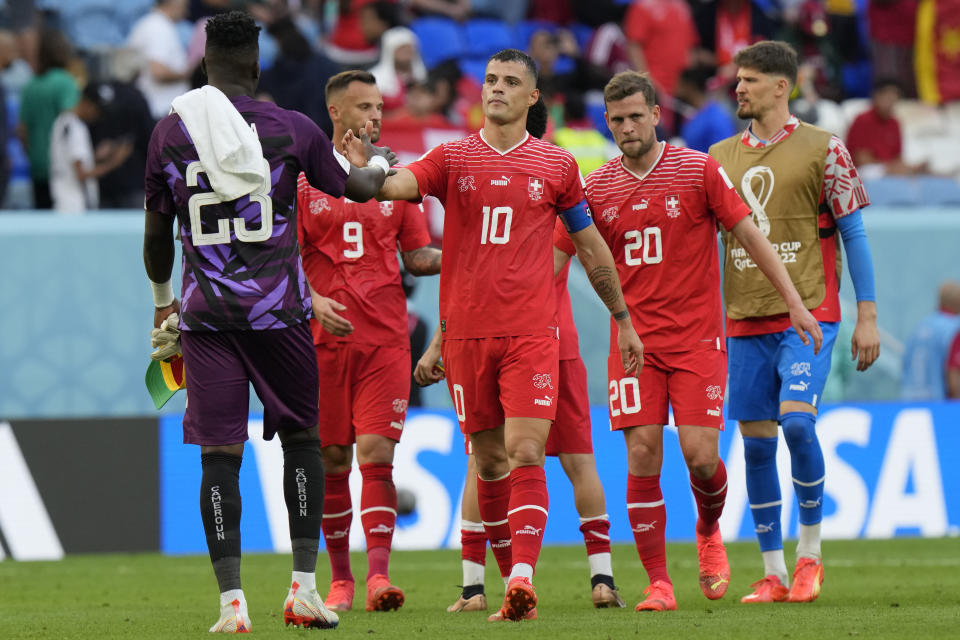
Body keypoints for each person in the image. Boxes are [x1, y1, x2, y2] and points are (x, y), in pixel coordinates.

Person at [142, 11, 393, 633]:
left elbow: (155, 237)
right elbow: (355, 188)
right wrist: (382, 165)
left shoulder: (169, 133)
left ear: (203, 65)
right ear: (256, 65)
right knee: (304, 443)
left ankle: (232, 605)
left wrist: (161, 302)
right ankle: (304, 589)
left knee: (219, 456)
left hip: (207, 321)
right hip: (278, 314)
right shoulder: (291, 128)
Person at [377, 48, 644, 622]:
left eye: (510, 82)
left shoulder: (557, 166)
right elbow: (401, 184)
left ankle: (522, 578)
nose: (496, 88)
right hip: (468, 339)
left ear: (532, 98)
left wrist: (622, 319)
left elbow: (592, 246)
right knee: (489, 462)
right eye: (491, 79)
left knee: (527, 450)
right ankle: (496, 583)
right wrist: (368, 175)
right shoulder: (451, 158)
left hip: (531, 334)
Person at [555, 70, 821, 612]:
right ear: (607, 123)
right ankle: (659, 583)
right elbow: (556, 259)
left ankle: (706, 528)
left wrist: (795, 301)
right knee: (644, 453)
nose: (627, 127)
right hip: (631, 344)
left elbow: (749, 234)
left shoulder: (698, 169)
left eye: (636, 116)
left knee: (701, 458)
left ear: (657, 115)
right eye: (617, 119)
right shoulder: (596, 187)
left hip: (698, 340)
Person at [418, 100, 625, 614]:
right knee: (508, 459)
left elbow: (505, 271)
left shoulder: (552, 193)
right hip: (527, 342)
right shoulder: (539, 190)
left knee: (512, 457)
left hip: (539, 342)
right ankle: (585, 579)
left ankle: (492, 581)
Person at [709, 40, 880, 604]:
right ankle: (773, 572)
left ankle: (810, 557)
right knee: (756, 447)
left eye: (751, 81)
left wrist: (867, 316)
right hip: (743, 320)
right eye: (739, 80)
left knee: (799, 426)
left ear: (782, 87)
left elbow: (852, 234)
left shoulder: (825, 150)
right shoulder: (718, 157)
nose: (739, 89)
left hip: (810, 315)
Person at [296, 69, 441, 614]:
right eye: (363, 108)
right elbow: (281, 260)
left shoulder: (395, 178)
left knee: (376, 456)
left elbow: (417, 256)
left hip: (385, 338)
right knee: (333, 460)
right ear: (335, 113)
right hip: (320, 342)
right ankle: (340, 580)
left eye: (378, 107)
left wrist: (466, 256)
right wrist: (312, 300)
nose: (375, 117)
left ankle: (379, 577)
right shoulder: (303, 179)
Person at [17, 27, 77, 209]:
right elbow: (70, 121)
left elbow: (21, 130)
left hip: (38, 164)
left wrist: (33, 153)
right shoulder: (66, 82)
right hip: (62, 166)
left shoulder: (31, 85)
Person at [49, 83, 133, 213]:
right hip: (75, 205)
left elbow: (73, 161)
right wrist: (114, 162)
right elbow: (81, 173)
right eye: (97, 110)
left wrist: (94, 156)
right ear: (86, 103)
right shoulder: (75, 127)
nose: (98, 116)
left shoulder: (63, 120)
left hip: (65, 200)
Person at [845, 78, 927, 177]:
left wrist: (909, 168)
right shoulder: (862, 119)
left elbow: (897, 157)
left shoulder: (895, 123)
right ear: (876, 97)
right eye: (887, 97)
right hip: (863, 170)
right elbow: (860, 158)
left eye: (893, 98)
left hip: (888, 169)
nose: (890, 102)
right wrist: (889, 168)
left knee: (924, 174)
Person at [127, 0, 191, 121]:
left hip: (160, 109)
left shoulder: (155, 23)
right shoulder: (158, 27)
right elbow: (158, 71)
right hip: (160, 109)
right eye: (184, 5)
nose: (186, 11)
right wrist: (187, 74)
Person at [901, 281, 960, 401]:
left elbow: (905, 363)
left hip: (910, 400)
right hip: (939, 405)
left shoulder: (920, 327)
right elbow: (953, 372)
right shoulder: (954, 328)